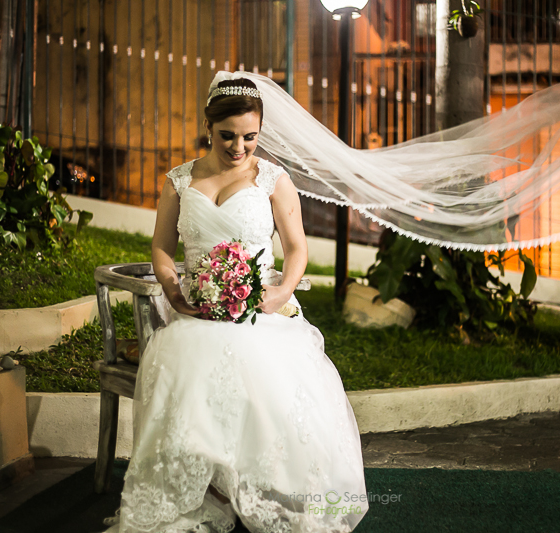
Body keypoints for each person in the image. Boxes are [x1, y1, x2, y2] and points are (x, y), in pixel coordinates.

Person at [102, 77, 369, 533]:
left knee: (262, 365)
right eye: (228, 135)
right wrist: (175, 294)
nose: (239, 146)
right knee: (184, 361)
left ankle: (255, 485)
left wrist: (281, 292)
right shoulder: (180, 180)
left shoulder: (273, 180)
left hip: (259, 312)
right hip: (196, 312)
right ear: (209, 127)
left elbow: (298, 250)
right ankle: (206, 485)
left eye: (250, 136)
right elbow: (162, 248)